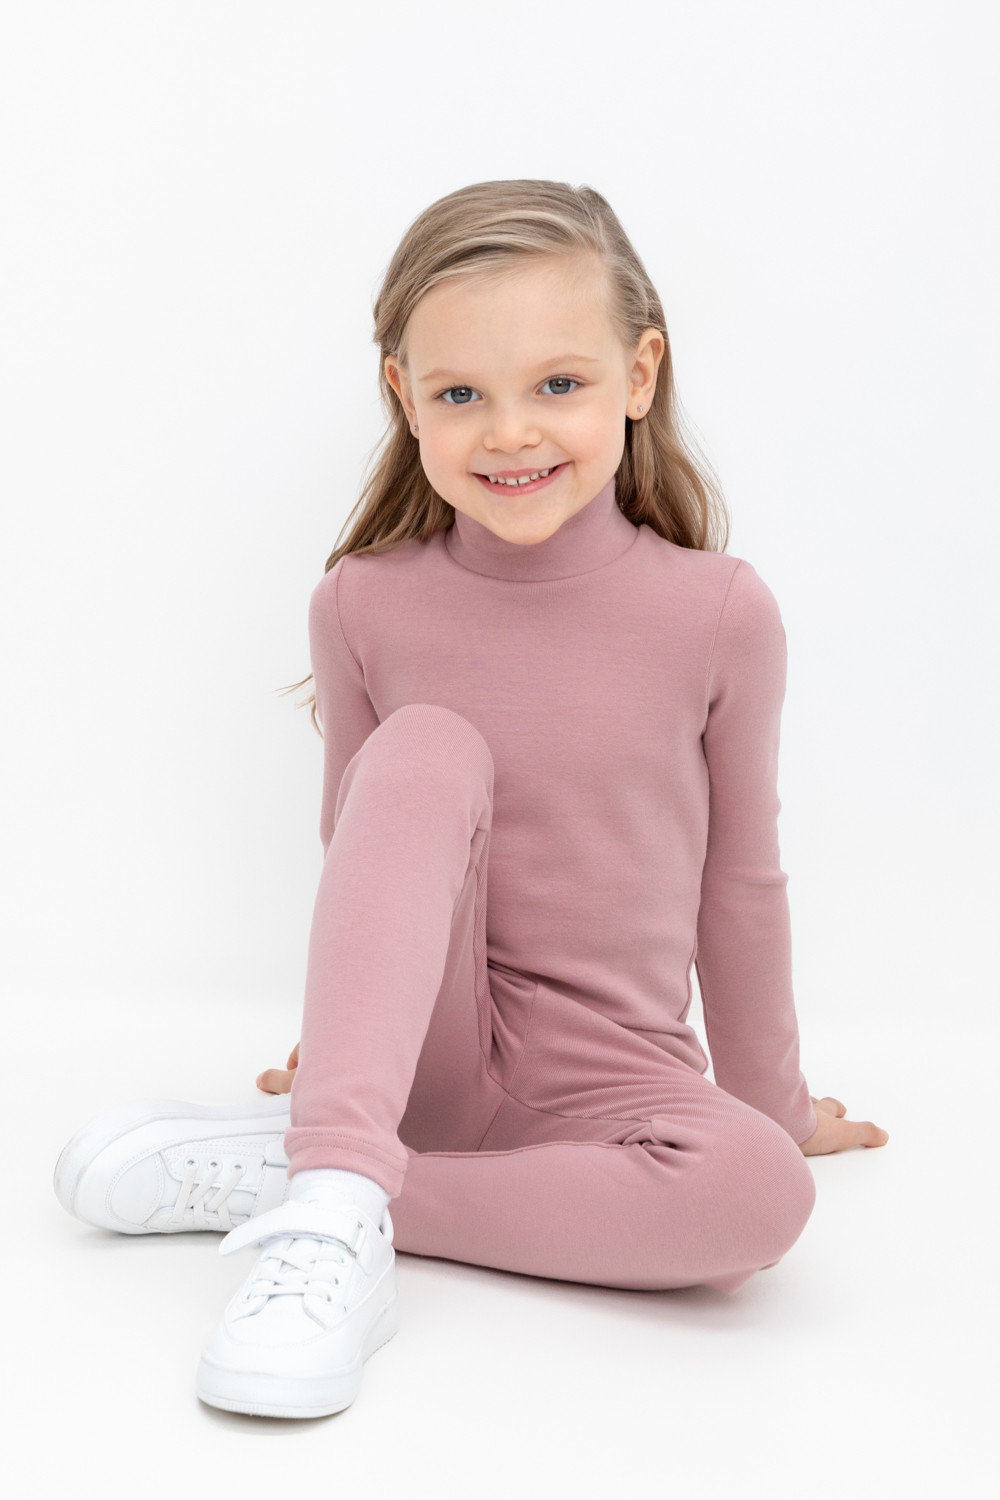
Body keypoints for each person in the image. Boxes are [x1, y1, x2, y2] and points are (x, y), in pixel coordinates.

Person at [53, 178, 889, 1422]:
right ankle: (341, 1177)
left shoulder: (719, 613)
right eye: (460, 395)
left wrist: (770, 1107)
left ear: (638, 375)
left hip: (611, 1083)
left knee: (761, 1194)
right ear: (404, 397)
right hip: (432, 1066)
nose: (510, 433)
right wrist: (348, 1057)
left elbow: (741, 882)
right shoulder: (362, 602)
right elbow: (361, 846)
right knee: (426, 749)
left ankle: (315, 1184)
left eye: (557, 383)